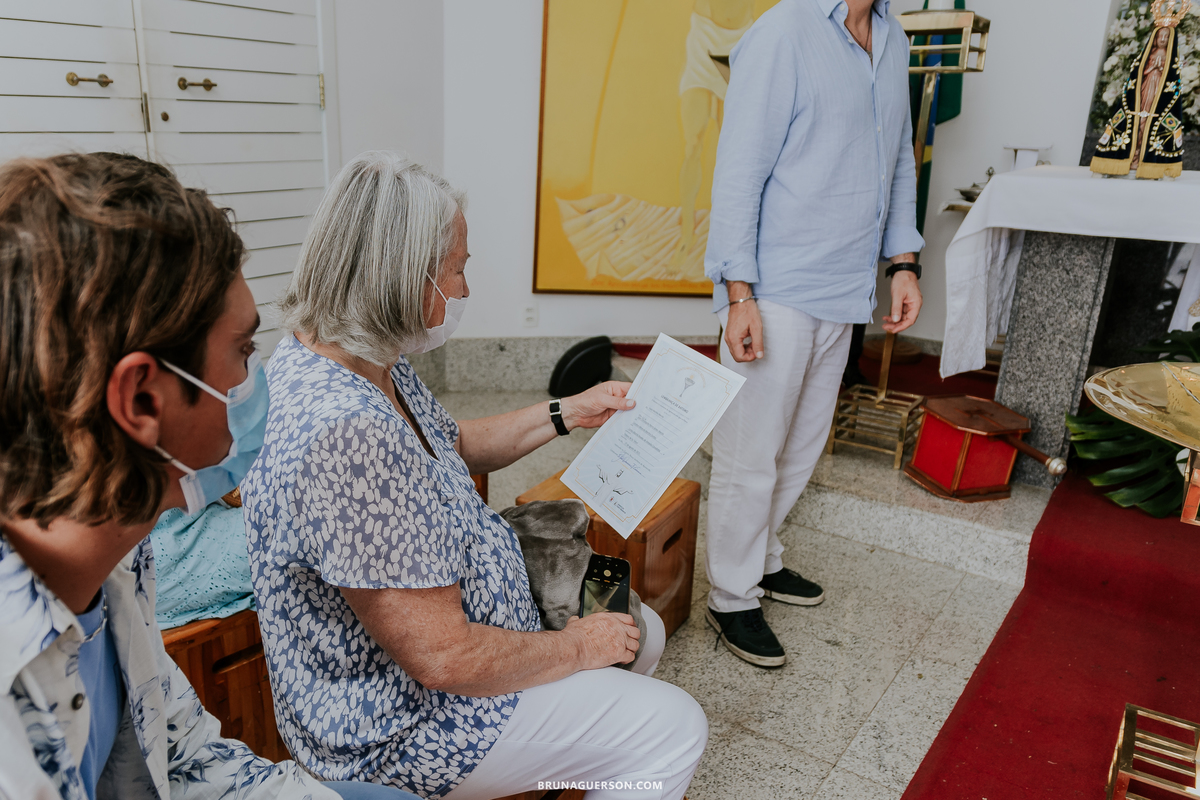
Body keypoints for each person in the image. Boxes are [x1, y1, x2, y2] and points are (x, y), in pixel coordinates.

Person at [241, 152, 708, 800]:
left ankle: (579, 760)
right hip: (400, 726)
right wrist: (576, 648)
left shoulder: (366, 353)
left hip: (457, 646)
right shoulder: (344, 436)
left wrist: (567, 412)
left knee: (641, 633)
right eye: (456, 269)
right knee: (673, 727)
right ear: (402, 277)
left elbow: (450, 445)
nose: (463, 290)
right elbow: (444, 659)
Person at [0, 152, 415, 800]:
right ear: (140, 401)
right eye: (243, 351)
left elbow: (191, 763)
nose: (257, 382)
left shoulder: (117, 564)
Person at [702, 0, 925, 667]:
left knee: (800, 448)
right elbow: (739, 169)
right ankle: (730, 595)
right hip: (775, 290)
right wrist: (738, 292)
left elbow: (901, 163)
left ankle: (762, 560)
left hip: (844, 291)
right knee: (751, 453)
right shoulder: (783, 32)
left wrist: (904, 262)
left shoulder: (893, 41)